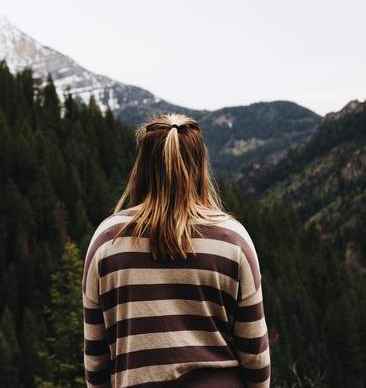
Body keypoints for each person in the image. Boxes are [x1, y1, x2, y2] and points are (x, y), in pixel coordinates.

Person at [82, 113, 271, 387]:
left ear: (142, 166)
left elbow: (96, 358)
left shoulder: (107, 240)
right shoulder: (232, 239)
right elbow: (255, 355)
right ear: (199, 165)